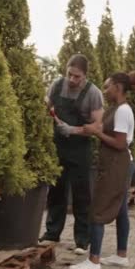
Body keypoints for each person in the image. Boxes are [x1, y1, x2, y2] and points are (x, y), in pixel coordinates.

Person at [68, 71, 135, 269]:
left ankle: (93, 261)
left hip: (116, 165)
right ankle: (121, 256)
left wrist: (97, 133)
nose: (104, 90)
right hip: (116, 164)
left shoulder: (123, 111)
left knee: (98, 209)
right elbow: (98, 127)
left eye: (107, 86)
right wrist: (72, 128)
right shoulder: (115, 109)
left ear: (118, 87)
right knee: (120, 211)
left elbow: (119, 143)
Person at [40, 54, 104, 255]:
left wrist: (73, 130)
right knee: (56, 191)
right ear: (65, 70)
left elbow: (97, 125)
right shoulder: (57, 85)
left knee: (81, 194)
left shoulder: (93, 93)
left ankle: (82, 239)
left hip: (80, 148)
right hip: (58, 145)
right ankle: (52, 233)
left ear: (85, 76)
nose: (73, 80)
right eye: (70, 75)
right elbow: (46, 106)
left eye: (77, 77)